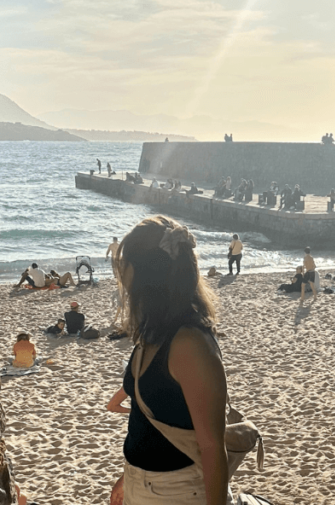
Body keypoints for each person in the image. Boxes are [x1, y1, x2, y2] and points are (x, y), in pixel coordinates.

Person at [118, 215, 229, 505]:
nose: (120, 273)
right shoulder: (154, 331)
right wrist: (128, 475)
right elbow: (145, 418)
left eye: (123, 264)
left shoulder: (189, 343)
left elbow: (212, 447)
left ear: (142, 273)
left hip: (178, 491)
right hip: (142, 484)